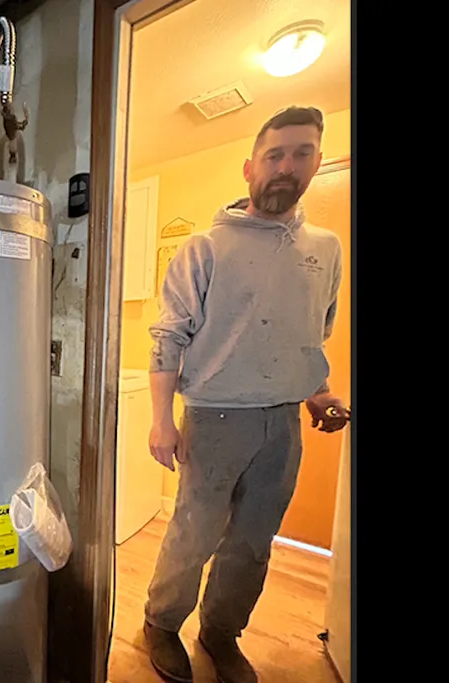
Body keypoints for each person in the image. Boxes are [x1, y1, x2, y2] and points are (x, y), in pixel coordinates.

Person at [142, 106, 349, 683]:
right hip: (214, 417)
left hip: (283, 424)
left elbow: (307, 336)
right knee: (194, 534)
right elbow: (168, 336)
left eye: (302, 153)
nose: (286, 167)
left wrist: (318, 393)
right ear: (249, 168)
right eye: (274, 155)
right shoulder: (205, 248)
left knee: (253, 541)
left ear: (316, 163)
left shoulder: (326, 250)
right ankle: (161, 623)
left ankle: (220, 633)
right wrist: (162, 419)